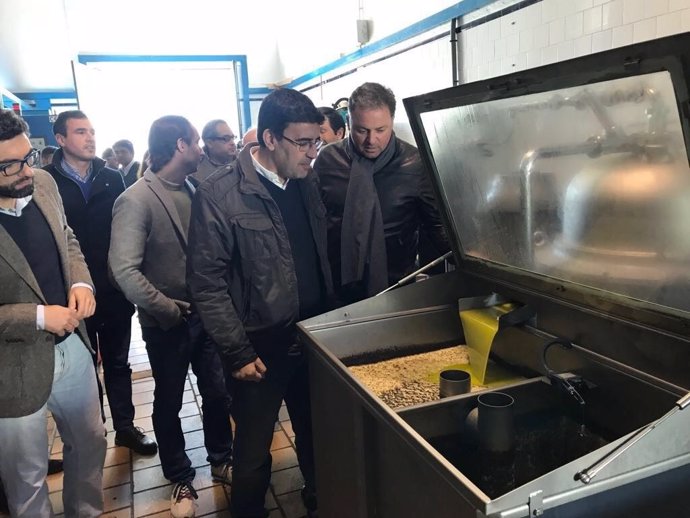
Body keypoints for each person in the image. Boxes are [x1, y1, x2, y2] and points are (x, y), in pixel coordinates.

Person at [187, 89, 332, 518]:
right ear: (270, 139)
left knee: (315, 433)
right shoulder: (220, 194)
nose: (312, 153)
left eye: (317, 142)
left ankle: (320, 499)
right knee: (252, 453)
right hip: (258, 350)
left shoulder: (307, 181)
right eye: (303, 143)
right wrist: (236, 351)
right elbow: (206, 282)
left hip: (312, 339)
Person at [110, 115, 234, 518]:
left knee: (217, 392)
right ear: (180, 145)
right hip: (168, 323)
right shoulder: (136, 199)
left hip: (207, 316)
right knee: (168, 401)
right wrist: (167, 309)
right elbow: (124, 271)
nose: (201, 149)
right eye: (197, 142)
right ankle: (180, 474)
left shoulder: (195, 187)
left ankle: (221, 457)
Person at [0, 109, 106, 517]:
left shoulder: (43, 183)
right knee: (26, 475)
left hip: (72, 347)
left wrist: (81, 282)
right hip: (13, 366)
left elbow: (67, 237)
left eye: (29, 157)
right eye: (10, 165)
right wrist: (40, 317)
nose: (26, 171)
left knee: (91, 442)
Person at [43, 110, 157, 456]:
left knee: (119, 362)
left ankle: (125, 427)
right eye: (80, 132)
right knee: (82, 367)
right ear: (61, 140)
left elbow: (126, 230)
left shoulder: (111, 178)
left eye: (92, 131)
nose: (90, 138)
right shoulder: (45, 182)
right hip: (70, 294)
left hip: (112, 289)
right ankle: (92, 432)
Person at [314, 82, 449, 305]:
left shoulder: (415, 165)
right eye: (362, 130)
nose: (371, 140)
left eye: (380, 130)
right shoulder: (328, 161)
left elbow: (437, 227)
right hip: (335, 290)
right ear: (349, 123)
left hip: (396, 286)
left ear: (392, 122)